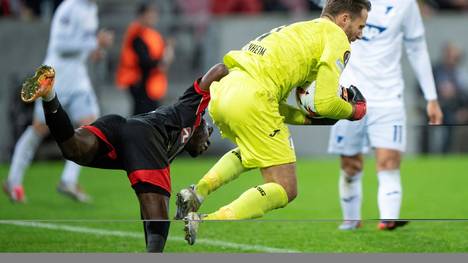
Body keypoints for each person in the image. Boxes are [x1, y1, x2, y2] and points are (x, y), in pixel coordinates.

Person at [175, 0, 371, 245]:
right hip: (254, 98)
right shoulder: (336, 38)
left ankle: (197, 192)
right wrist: (353, 111)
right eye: (360, 26)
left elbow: (277, 106)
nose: (360, 34)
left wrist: (309, 120)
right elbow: (325, 103)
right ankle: (205, 219)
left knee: (253, 149)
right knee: (285, 188)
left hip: (227, 89)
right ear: (344, 19)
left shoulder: (301, 29)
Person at [17, 63, 225, 252]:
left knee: (73, 148)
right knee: (159, 220)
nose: (208, 140)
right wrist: (242, 70)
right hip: (144, 136)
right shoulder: (190, 109)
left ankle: (49, 95)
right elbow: (218, 70)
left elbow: (147, 207)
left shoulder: (176, 140)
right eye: (210, 131)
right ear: (200, 124)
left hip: (118, 127)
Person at [327, 0, 443, 231]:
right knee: (350, 164)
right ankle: (351, 221)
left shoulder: (405, 4)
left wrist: (431, 97)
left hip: (388, 97)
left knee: (388, 161)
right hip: (348, 95)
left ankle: (387, 221)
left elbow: (417, 48)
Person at [3, 0, 114, 203]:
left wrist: (93, 51)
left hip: (78, 79)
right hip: (56, 76)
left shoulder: (91, 9)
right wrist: (94, 43)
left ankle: (68, 180)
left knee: (90, 127)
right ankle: (13, 180)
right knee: (40, 128)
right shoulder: (69, 7)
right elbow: (62, 45)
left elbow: (82, 44)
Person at [116, 1, 175, 115]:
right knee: (142, 115)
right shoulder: (137, 33)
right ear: (141, 15)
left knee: (150, 114)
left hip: (151, 81)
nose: (153, 16)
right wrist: (161, 62)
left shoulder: (151, 33)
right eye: (150, 13)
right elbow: (144, 60)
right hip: (139, 80)